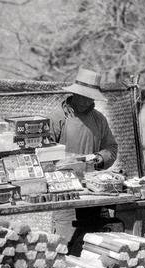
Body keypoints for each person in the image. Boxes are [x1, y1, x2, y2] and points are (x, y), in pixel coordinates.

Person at [49, 68, 119, 249]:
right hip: (63, 190)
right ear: (74, 93)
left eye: (90, 97)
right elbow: (45, 151)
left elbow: (111, 147)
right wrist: (65, 161)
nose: (85, 100)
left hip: (92, 189)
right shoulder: (58, 117)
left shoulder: (99, 119)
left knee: (91, 242)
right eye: (82, 96)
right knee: (64, 242)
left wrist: (99, 158)